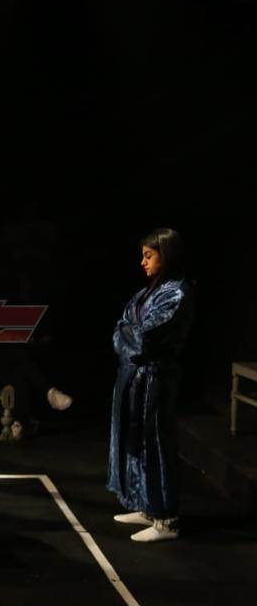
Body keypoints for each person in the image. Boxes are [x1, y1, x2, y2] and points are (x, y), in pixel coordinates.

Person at [108, 228, 194, 543]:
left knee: (155, 445)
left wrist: (130, 336)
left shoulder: (177, 293)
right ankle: (147, 505)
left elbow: (144, 337)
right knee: (136, 442)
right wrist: (129, 335)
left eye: (149, 255)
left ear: (165, 256)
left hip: (156, 378)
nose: (143, 262)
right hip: (135, 377)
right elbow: (121, 329)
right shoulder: (150, 292)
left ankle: (166, 518)